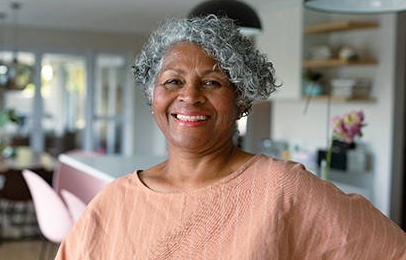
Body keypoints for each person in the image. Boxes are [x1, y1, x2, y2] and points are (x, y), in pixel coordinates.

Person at [55, 15, 406, 259]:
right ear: (153, 99)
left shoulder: (282, 189)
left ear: (241, 101)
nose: (190, 96)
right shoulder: (114, 201)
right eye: (173, 81)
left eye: (212, 82)